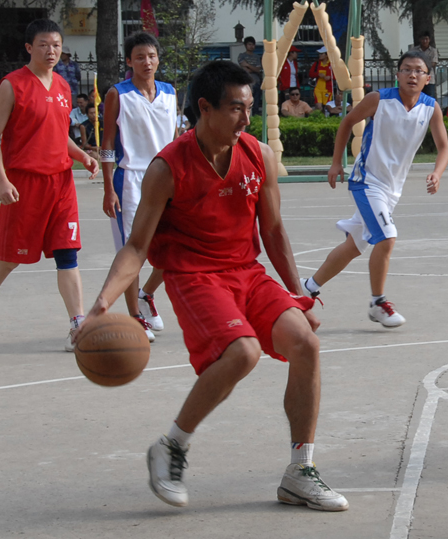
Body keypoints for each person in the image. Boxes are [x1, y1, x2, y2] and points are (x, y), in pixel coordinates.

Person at [81, 59, 348, 512]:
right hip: (194, 276)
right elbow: (137, 246)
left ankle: (299, 472)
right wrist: (102, 303)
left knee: (305, 343)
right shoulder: (168, 167)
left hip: (246, 271)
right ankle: (171, 445)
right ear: (205, 108)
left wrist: (297, 295)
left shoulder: (258, 154)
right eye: (236, 109)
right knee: (242, 352)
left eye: (249, 108)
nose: (246, 119)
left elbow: (273, 231)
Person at [0, 19, 99, 351]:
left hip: (61, 183)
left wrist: (82, 155)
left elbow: (59, 134)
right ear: (29, 48)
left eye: (57, 45)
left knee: (67, 253)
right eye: (44, 45)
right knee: (10, 258)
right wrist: (2, 180)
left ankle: (77, 325)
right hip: (24, 184)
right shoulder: (12, 85)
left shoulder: (62, 86)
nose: (51, 51)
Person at [300, 50, 448, 327]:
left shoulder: (431, 107)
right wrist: (336, 163)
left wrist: (437, 173)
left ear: (428, 78)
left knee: (354, 245)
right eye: (407, 69)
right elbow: (347, 122)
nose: (412, 75)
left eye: (419, 71)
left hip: (392, 189)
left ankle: (307, 287)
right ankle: (378, 302)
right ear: (397, 74)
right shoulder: (379, 99)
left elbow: (444, 148)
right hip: (367, 181)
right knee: (387, 237)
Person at [100, 31, 178, 342]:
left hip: (167, 176)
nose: (147, 62)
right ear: (129, 61)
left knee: (176, 246)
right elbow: (107, 143)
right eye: (140, 57)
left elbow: (175, 140)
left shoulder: (169, 92)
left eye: (151, 56)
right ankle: (135, 316)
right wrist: (108, 187)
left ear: (158, 59)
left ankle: (147, 294)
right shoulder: (117, 95)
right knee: (132, 252)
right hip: (130, 180)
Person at [237, 36, 262, 114]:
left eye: (253, 44)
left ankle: (255, 115)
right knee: (246, 100)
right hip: (246, 81)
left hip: (257, 81)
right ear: (245, 45)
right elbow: (244, 69)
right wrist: (253, 68)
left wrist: (248, 65)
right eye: (249, 44)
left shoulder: (257, 57)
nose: (251, 46)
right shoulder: (242, 55)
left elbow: (258, 69)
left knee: (256, 100)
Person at [410, 32, 439, 98]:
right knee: (417, 96)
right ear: (420, 40)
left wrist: (421, 66)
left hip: (429, 78)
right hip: (417, 77)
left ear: (429, 40)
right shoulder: (414, 50)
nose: (425, 41)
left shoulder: (433, 51)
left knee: (429, 97)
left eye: (426, 39)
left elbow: (433, 63)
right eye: (423, 39)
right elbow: (412, 61)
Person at [309, 46, 334, 111]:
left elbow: (337, 75)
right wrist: (318, 74)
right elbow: (310, 74)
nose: (319, 55)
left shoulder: (331, 64)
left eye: (321, 54)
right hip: (318, 88)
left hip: (327, 89)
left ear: (326, 55)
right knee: (318, 106)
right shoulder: (317, 63)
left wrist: (330, 77)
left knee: (327, 106)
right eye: (319, 54)